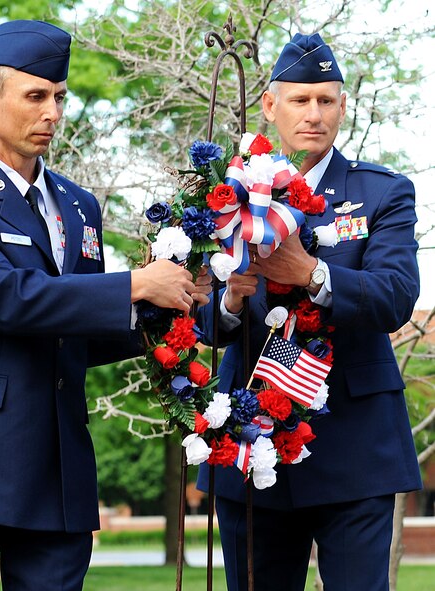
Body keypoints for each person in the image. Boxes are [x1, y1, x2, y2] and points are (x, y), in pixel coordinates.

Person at [0, 19, 210, 591]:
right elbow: (5, 299)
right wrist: (135, 283)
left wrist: (185, 306)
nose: (53, 113)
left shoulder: (79, 205)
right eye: (36, 96)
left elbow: (78, 328)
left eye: (59, 97)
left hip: (56, 468)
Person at [197, 32, 421, 591]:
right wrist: (228, 298)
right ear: (270, 106)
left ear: (344, 106)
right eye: (300, 100)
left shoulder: (382, 193)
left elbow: (395, 295)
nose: (314, 114)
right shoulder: (226, 195)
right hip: (251, 440)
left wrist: (311, 273)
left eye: (327, 100)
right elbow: (195, 318)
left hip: (355, 445)